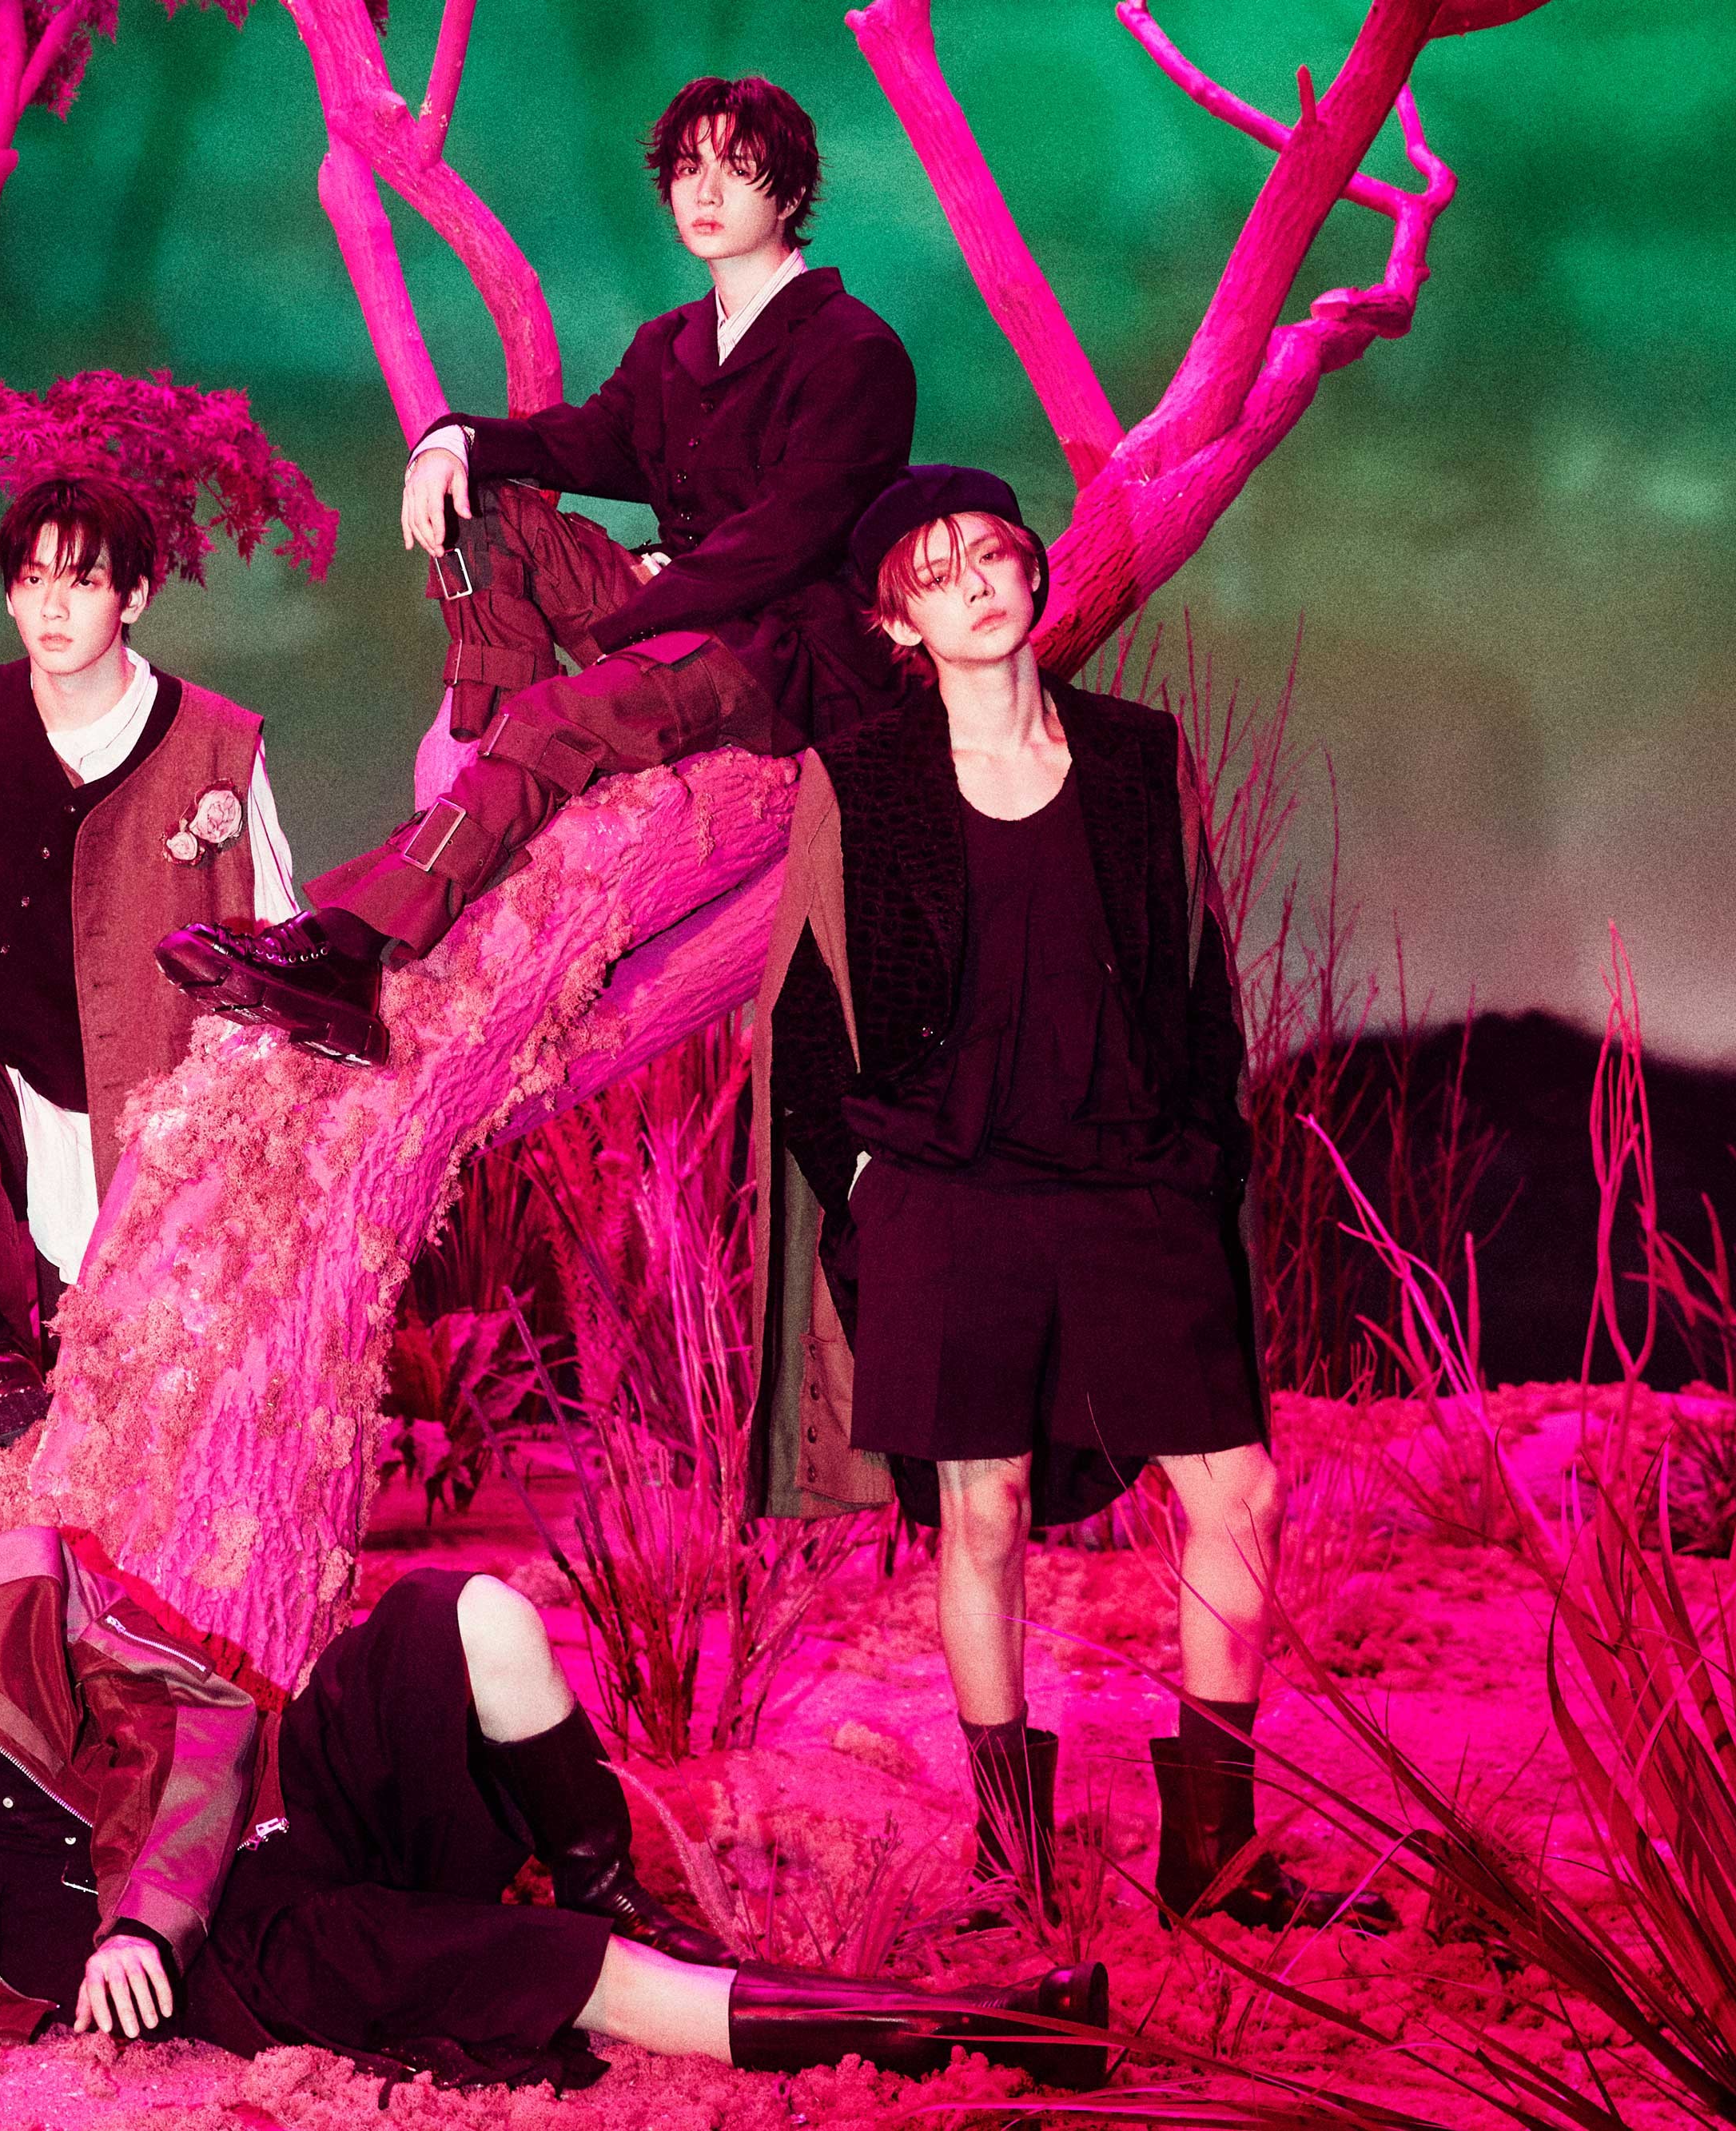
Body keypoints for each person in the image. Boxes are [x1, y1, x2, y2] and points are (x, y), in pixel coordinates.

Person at [741, 464, 1399, 1937]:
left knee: (1240, 1490)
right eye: (934, 574)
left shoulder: (1136, 753)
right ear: (898, 626)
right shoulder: (859, 776)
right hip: (947, 1185)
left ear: (1034, 571)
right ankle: (1013, 1861)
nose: (974, 584)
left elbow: (1201, 975)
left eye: (990, 553)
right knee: (983, 1511)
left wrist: (1204, 1146)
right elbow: (803, 1013)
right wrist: (867, 1181)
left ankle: (1215, 1854)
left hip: (1127, 1172)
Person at [0, 1428, 1109, 2090]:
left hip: (261, 1819)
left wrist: (144, 1907)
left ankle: (606, 1877)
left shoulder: (21, 1576)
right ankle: (1002, 2028)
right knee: (580, 1977)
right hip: (231, 1957)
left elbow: (210, 1714)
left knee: (465, 1613)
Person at [156, 74, 913, 1066]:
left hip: (782, 654)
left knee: (556, 714)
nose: (705, 191)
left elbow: (790, 536)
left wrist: (640, 614)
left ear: (793, 190)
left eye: (736, 168)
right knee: (482, 513)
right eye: (688, 168)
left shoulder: (855, 349)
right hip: (676, 616)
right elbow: (581, 442)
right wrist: (450, 441)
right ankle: (485, 771)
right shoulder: (672, 343)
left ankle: (350, 949)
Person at [0, 476, 300, 1445]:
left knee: (118, 1414)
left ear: (134, 595)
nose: (54, 608)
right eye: (33, 580)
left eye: (82, 581)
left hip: (143, 1127)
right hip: (0, 1104)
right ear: (9, 594)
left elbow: (280, 937)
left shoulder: (217, 742)